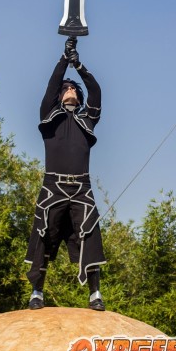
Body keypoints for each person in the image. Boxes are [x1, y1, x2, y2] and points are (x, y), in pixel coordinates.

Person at [25, 37, 106, 311]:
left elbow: (95, 91)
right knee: (44, 235)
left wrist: (78, 65)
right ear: (59, 97)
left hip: (82, 189)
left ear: (78, 98)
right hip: (53, 188)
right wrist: (63, 58)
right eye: (66, 88)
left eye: (73, 88)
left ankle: (95, 294)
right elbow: (51, 86)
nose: (69, 89)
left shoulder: (87, 120)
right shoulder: (50, 116)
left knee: (89, 235)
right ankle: (37, 291)